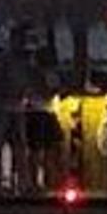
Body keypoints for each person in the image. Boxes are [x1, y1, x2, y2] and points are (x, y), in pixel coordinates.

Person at [0, 25, 33, 193]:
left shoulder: (23, 61)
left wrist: (25, 95)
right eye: (19, 39)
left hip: (17, 107)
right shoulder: (2, 59)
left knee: (19, 145)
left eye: (23, 40)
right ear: (12, 40)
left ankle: (19, 181)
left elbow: (27, 82)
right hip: (1, 108)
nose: (21, 43)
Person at [24, 44, 66, 192]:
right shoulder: (39, 74)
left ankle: (47, 179)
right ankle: (35, 182)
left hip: (45, 111)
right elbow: (48, 92)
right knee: (38, 149)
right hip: (39, 112)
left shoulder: (37, 73)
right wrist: (56, 90)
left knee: (51, 147)